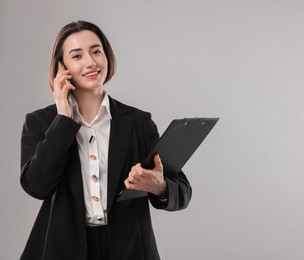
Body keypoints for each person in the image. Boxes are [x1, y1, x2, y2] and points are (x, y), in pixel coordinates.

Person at [20, 20, 192, 260]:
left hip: (129, 249)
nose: (91, 62)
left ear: (107, 56)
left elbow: (182, 191)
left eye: (96, 51)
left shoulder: (138, 122)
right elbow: (37, 186)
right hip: (63, 249)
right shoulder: (41, 122)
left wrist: (159, 186)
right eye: (77, 56)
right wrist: (64, 120)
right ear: (62, 67)